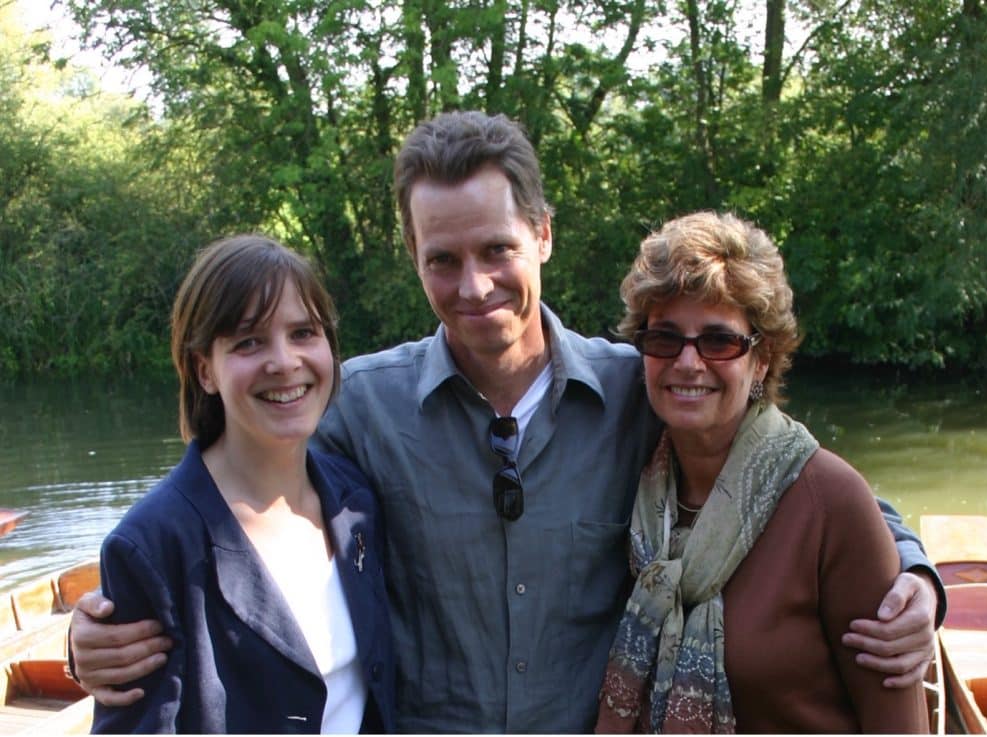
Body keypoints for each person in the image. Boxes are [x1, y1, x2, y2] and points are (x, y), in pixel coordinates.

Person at [69, 112, 942, 733]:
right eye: (441, 259)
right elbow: (224, 480)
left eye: (496, 250)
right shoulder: (356, 408)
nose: (473, 284)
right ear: (412, 257)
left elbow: (786, 474)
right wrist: (103, 620)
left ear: (544, 238)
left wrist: (913, 574)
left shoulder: (639, 387)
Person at [595, 212, 928, 733]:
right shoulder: (633, 479)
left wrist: (925, 581)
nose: (688, 362)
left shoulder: (830, 503)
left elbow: (898, 724)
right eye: (665, 339)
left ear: (763, 358)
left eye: (718, 341)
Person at [89, 235, 394, 733]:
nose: (284, 361)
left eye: (302, 333)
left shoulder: (356, 502)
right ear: (204, 369)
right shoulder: (151, 545)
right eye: (249, 341)